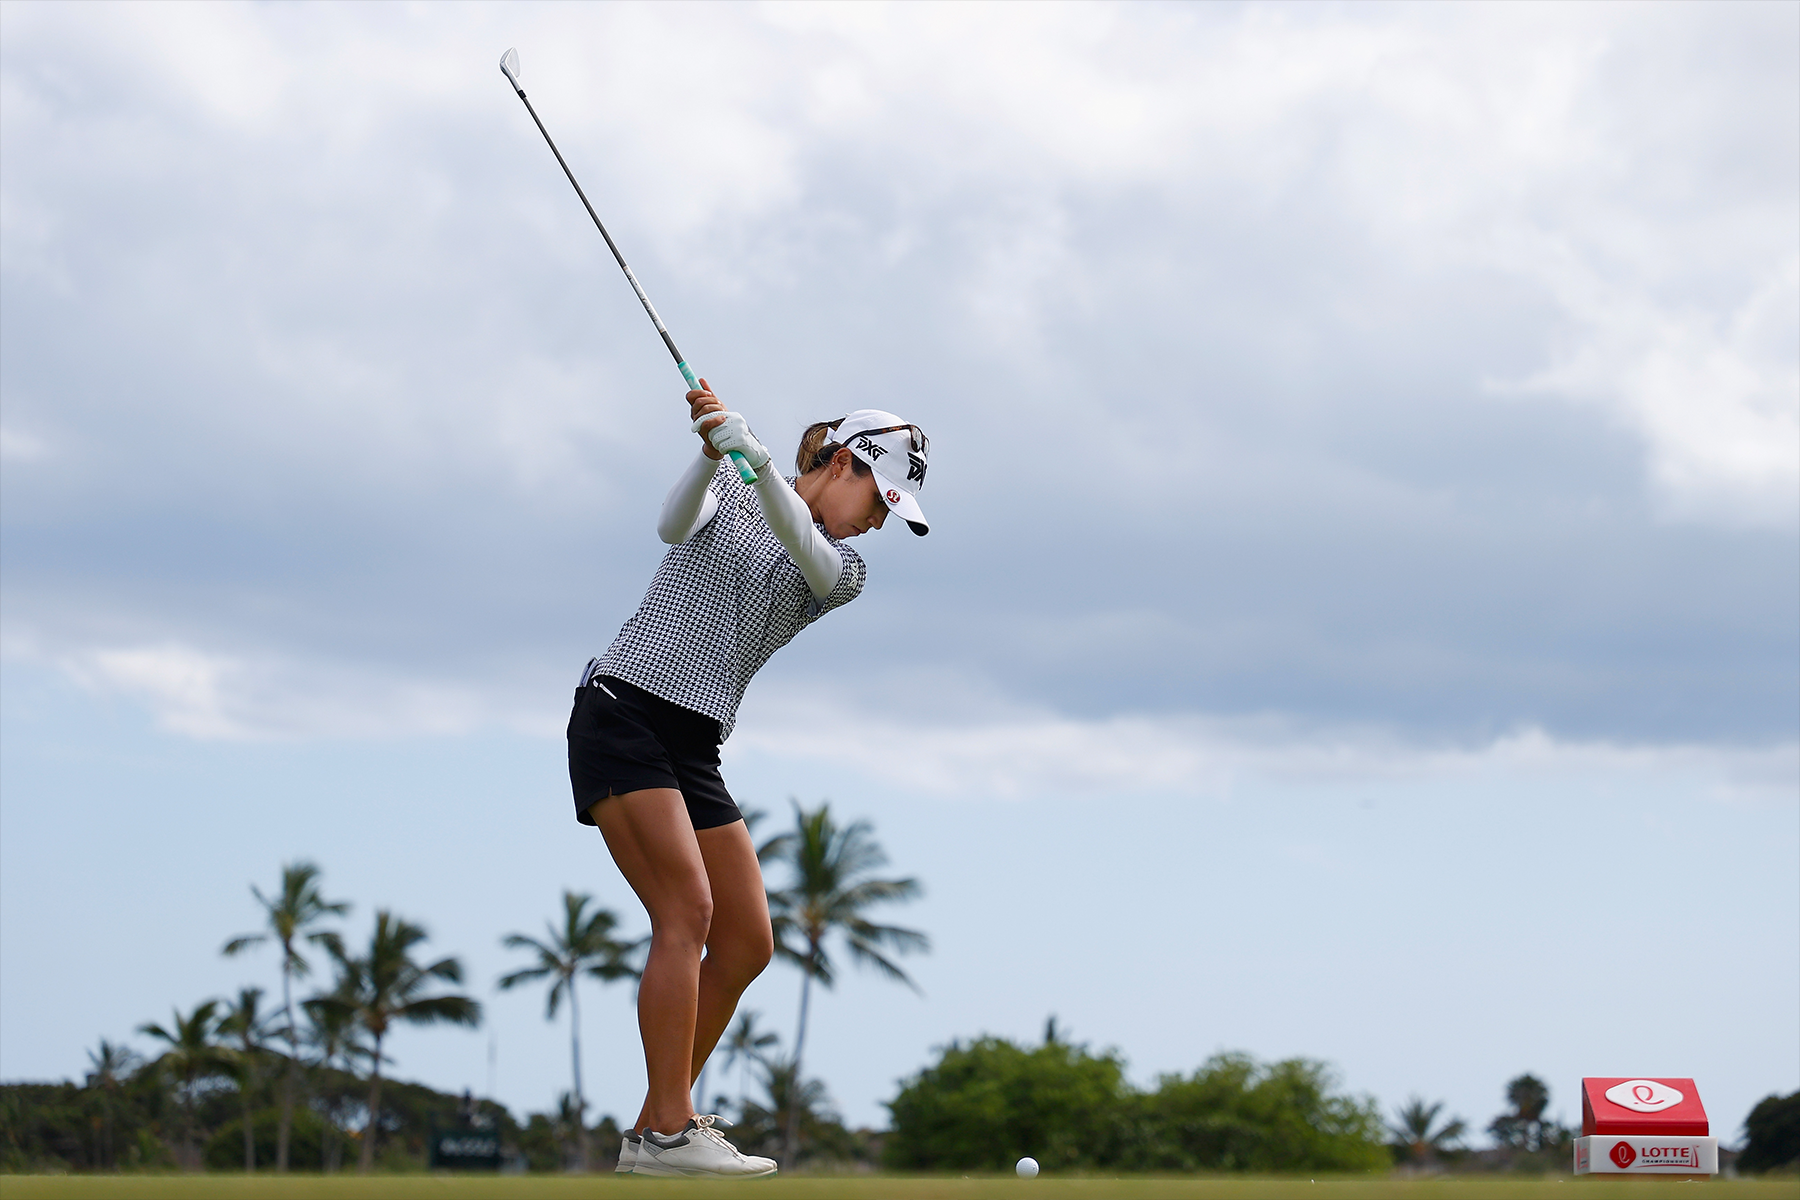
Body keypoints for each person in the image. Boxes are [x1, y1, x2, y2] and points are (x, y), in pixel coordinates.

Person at [566, 379, 930, 1178]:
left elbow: (796, 534)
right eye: (879, 499)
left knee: (746, 941)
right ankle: (671, 1131)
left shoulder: (843, 568)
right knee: (687, 911)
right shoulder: (735, 485)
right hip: (625, 709)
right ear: (843, 462)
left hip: (693, 743)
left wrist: (755, 460)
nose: (877, 522)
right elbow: (671, 526)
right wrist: (711, 456)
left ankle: (652, 1133)